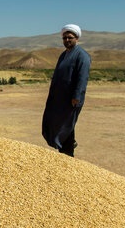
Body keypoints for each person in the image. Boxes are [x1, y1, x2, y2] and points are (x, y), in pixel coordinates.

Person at [42, 24, 91, 157]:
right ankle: (66, 147)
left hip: (72, 99)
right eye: (65, 38)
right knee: (60, 122)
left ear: (77, 38)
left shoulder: (82, 56)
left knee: (67, 123)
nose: (67, 40)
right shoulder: (64, 55)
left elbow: (82, 77)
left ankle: (68, 152)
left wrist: (77, 96)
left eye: (70, 37)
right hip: (59, 98)